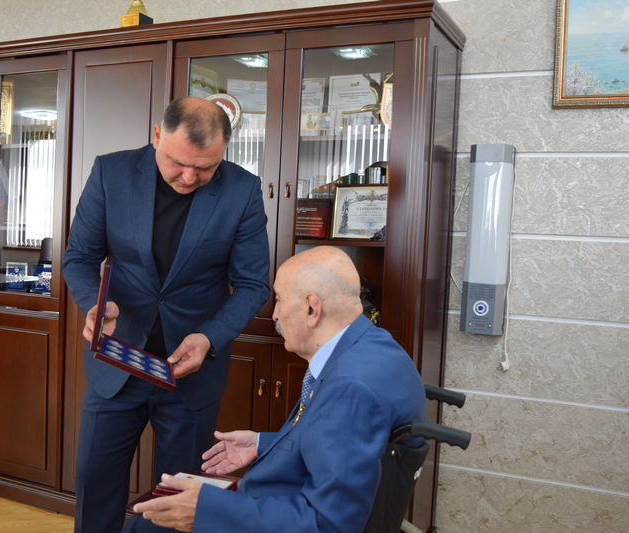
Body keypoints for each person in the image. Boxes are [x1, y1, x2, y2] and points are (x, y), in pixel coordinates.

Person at [62, 96, 270, 533]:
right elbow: (78, 256)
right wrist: (95, 304)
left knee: (180, 501)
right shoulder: (111, 173)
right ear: (157, 135)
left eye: (205, 168)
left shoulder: (242, 190)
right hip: (117, 362)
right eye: (178, 163)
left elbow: (254, 284)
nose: (189, 178)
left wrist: (210, 337)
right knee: (95, 483)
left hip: (190, 374)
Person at [123, 246, 426, 533]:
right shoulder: (374, 346)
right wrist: (262, 444)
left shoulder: (350, 388)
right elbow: (340, 444)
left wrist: (205, 511)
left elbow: (327, 524)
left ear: (312, 308)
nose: (275, 315)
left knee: (145, 524)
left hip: (277, 513)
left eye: (279, 300)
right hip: (282, 500)